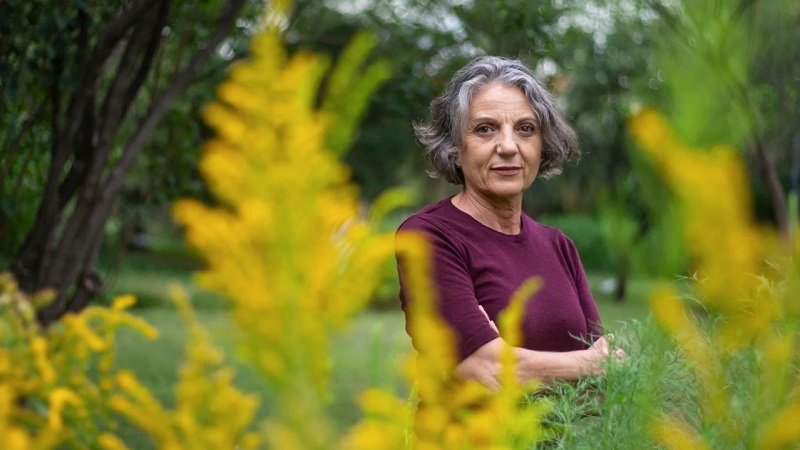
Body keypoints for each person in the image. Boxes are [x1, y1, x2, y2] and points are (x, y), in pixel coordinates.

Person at [396, 56, 621, 391]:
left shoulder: (559, 246)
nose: (508, 147)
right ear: (455, 146)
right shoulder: (428, 237)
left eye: (525, 129)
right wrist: (587, 364)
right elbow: (487, 373)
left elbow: (602, 387)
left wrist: (519, 360)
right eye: (485, 129)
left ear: (542, 144)